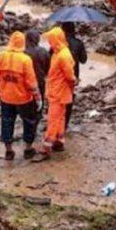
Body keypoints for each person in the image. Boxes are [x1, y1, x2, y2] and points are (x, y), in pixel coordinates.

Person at [0, 31, 41, 160]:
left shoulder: (1, 56)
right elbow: (31, 82)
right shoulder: (25, 60)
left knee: (7, 122)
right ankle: (28, 149)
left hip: (6, 97)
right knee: (29, 122)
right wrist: (38, 98)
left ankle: (9, 150)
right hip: (24, 98)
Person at [33, 27, 76, 162]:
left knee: (53, 119)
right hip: (58, 91)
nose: (49, 43)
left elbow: (70, 76)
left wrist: (74, 82)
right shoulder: (60, 52)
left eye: (50, 40)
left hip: (58, 92)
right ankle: (59, 141)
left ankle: (46, 148)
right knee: (60, 118)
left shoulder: (63, 55)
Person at [61, 22, 88, 129]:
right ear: (74, 30)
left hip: (59, 77)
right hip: (73, 77)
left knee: (58, 101)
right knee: (69, 100)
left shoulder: (58, 43)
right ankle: (65, 124)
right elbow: (84, 60)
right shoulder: (78, 43)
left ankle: (57, 123)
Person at [25, 29, 51, 111]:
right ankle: (38, 116)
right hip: (40, 80)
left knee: (27, 103)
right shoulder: (44, 51)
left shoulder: (24, 53)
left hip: (26, 82)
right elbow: (48, 68)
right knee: (39, 103)